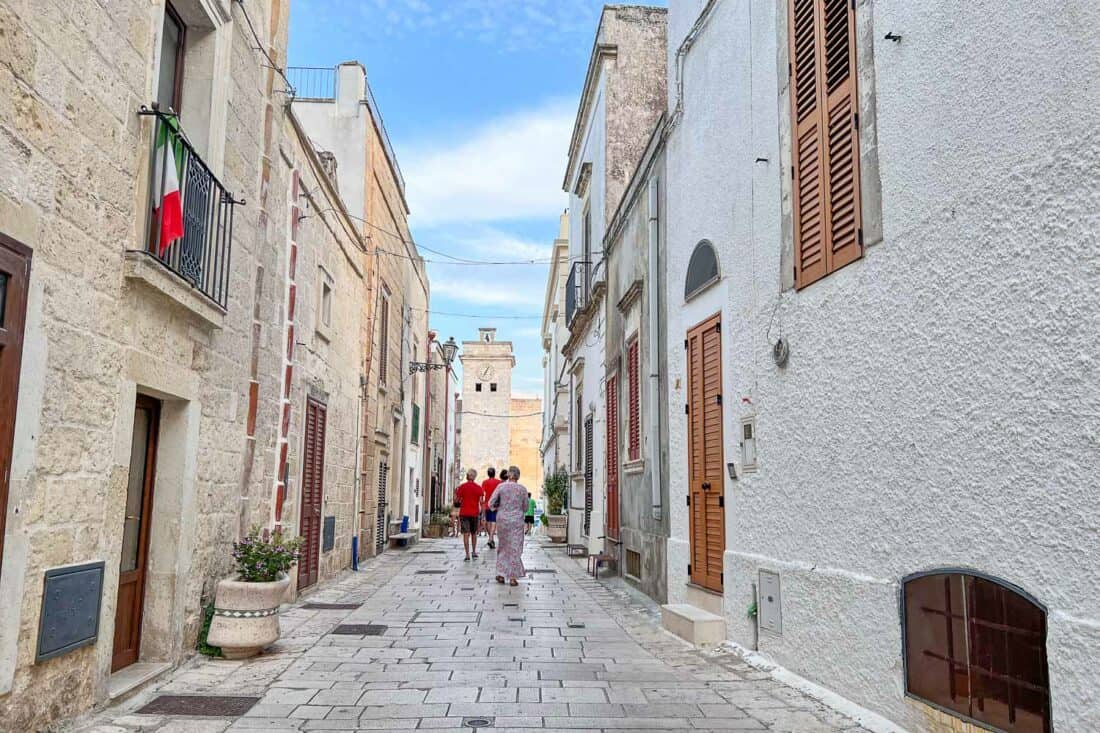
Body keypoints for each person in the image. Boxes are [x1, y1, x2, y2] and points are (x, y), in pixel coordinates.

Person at [487, 465, 528, 585]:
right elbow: (525, 508)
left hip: (503, 520)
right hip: (516, 521)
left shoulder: (501, 487)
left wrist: (498, 508)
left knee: (503, 546)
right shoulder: (522, 489)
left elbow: (490, 503)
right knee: (515, 547)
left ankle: (500, 573)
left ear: (509, 475)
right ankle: (513, 577)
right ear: (518, 476)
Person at [455, 468, 483, 561]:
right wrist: (482, 515)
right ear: (474, 477)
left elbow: (457, 500)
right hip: (474, 513)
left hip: (464, 513)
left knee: (466, 534)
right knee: (474, 533)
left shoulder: (462, 487)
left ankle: (467, 554)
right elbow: (481, 501)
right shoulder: (479, 488)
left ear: (468, 476)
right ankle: (474, 552)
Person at [481, 467, 502, 549]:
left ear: (488, 474)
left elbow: (482, 494)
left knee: (488, 522)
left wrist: (482, 503)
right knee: (493, 522)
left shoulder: (485, 482)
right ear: (494, 473)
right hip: (495, 504)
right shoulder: (499, 482)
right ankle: (490, 539)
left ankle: (491, 539)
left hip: (487, 504)